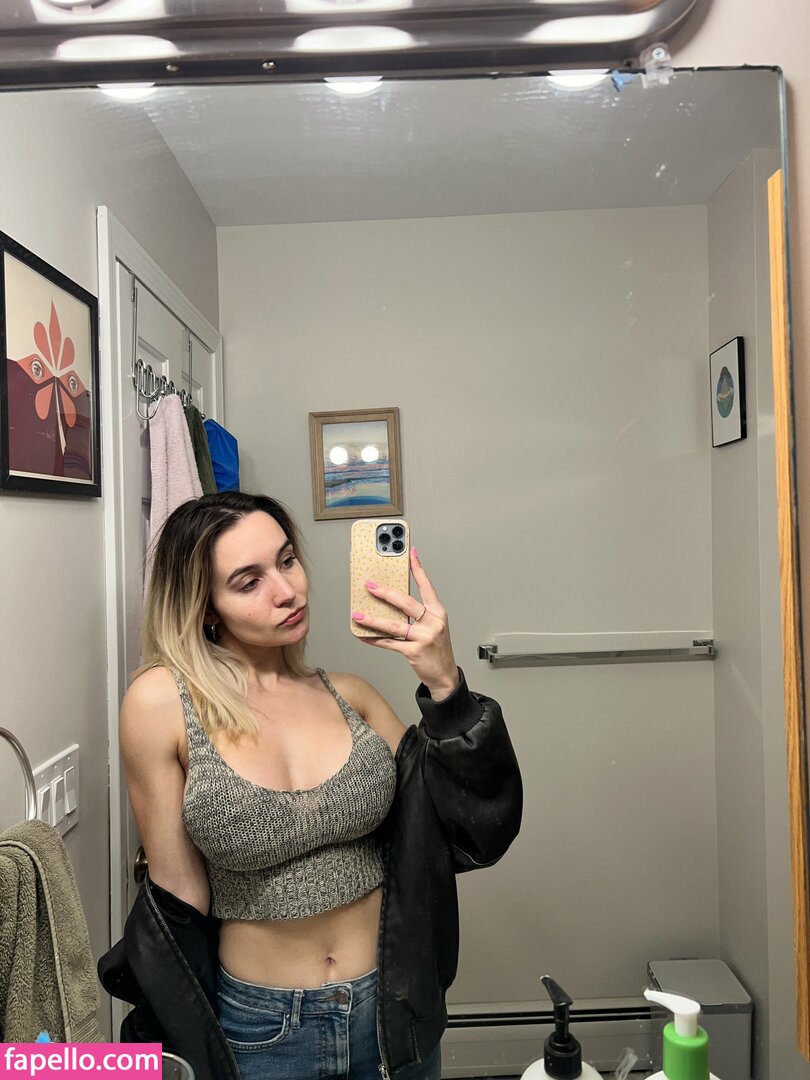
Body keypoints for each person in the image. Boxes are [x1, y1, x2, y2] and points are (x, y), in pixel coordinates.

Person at [119, 490, 522, 1080]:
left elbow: (471, 829)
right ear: (206, 607)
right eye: (248, 581)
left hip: (392, 1012)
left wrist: (445, 685)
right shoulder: (161, 705)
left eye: (287, 560)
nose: (288, 590)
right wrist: (164, 1041)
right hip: (258, 1028)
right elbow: (177, 895)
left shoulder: (353, 697)